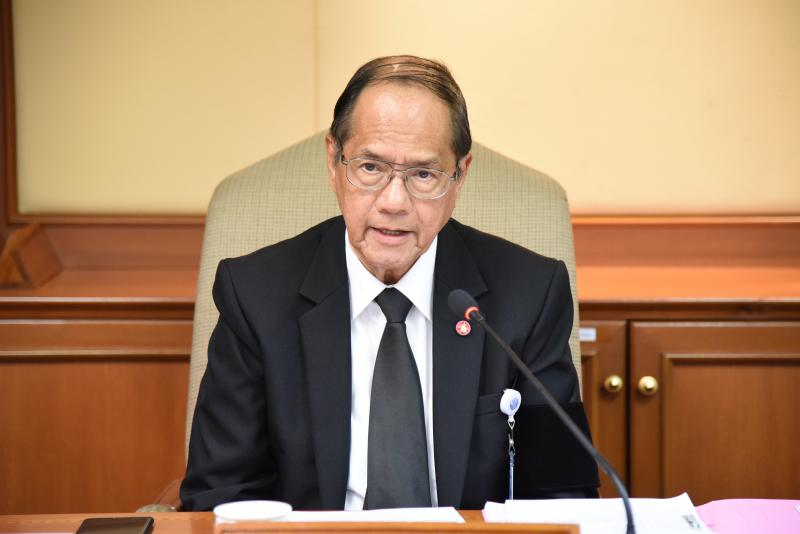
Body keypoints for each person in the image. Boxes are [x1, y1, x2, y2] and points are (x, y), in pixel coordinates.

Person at [180, 55, 598, 511]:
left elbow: (563, 496)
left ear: (459, 177)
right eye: (370, 168)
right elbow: (221, 496)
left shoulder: (530, 294)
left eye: (423, 174)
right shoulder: (255, 296)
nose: (394, 202)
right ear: (333, 161)